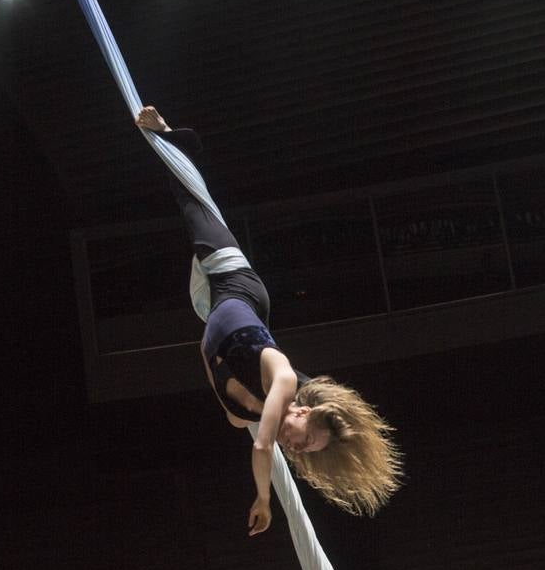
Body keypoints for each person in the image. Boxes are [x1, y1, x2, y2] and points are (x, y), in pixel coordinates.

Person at [135, 106, 402, 536]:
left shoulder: (246, 412)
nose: (296, 448)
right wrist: (263, 499)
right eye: (305, 439)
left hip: (219, 310)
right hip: (236, 286)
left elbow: (217, 372)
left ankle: (176, 146)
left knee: (242, 415)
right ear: (304, 411)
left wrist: (259, 414)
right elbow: (263, 446)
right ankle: (172, 137)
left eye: (301, 450)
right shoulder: (284, 384)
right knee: (196, 207)